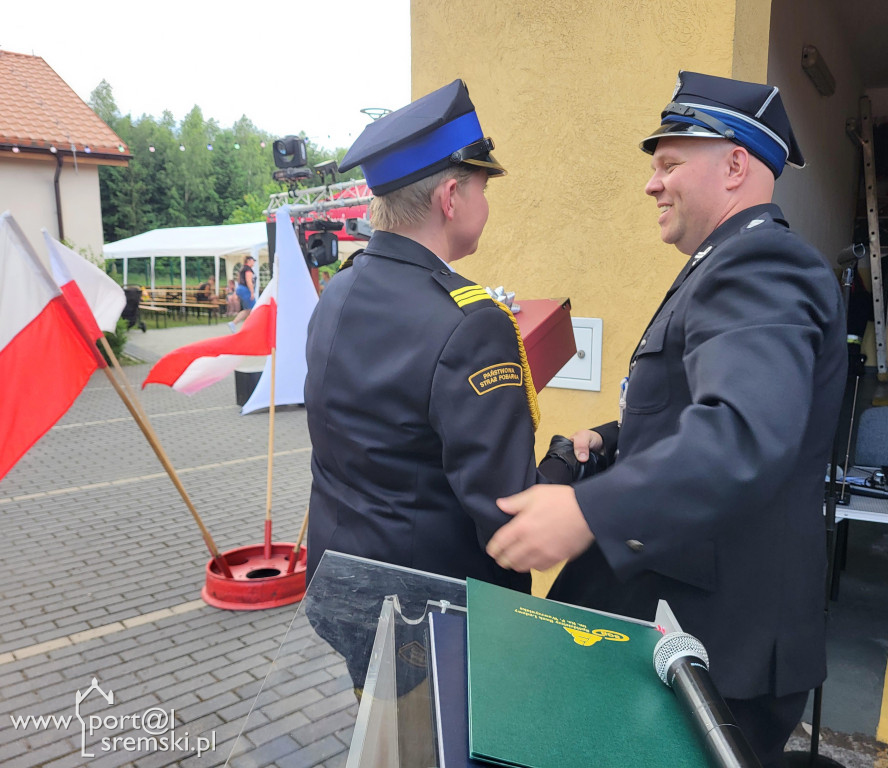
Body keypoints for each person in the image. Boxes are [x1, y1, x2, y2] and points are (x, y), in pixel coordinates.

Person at [485, 71, 847, 768]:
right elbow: (701, 409)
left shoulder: (759, 263)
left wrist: (589, 510)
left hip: (724, 643)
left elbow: (743, 432)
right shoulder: (722, 264)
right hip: (697, 621)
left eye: (669, 164)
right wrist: (614, 441)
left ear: (736, 165)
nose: (653, 184)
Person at [305, 79, 543, 593]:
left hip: (344, 584)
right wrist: (571, 465)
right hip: (433, 612)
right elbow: (509, 514)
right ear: (451, 197)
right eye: (483, 185)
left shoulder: (338, 291)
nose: (486, 201)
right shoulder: (472, 322)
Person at [229, 256, 256, 332]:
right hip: (245, 289)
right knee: (252, 308)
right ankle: (234, 323)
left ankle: (249, 326)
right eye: (253, 261)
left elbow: (238, 280)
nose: (254, 262)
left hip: (241, 289)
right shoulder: (248, 269)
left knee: (248, 310)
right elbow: (249, 281)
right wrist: (252, 292)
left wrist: (236, 292)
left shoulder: (242, 269)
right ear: (248, 261)